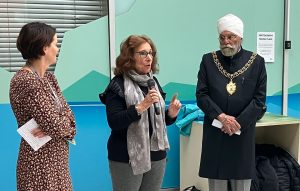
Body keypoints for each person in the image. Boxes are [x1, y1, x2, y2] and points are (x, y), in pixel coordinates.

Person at [100, 35, 181, 191]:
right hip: (127, 157)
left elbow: (157, 119)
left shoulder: (153, 82)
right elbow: (114, 122)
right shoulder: (117, 85)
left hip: (157, 154)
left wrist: (170, 114)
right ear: (130, 57)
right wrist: (141, 106)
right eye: (143, 53)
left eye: (151, 53)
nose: (148, 57)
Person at [196, 14, 267, 191]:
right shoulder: (208, 60)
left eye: (231, 37)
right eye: (222, 37)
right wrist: (222, 118)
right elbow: (202, 95)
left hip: (242, 133)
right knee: (216, 184)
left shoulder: (257, 62)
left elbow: (259, 100)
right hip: (216, 130)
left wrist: (237, 123)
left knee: (241, 184)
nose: (226, 41)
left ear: (240, 37)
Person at [9, 22, 76, 191]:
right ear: (44, 48)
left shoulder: (50, 79)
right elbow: (55, 125)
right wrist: (61, 125)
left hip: (57, 163)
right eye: (55, 43)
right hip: (39, 165)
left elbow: (69, 120)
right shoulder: (26, 81)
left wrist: (62, 125)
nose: (58, 49)